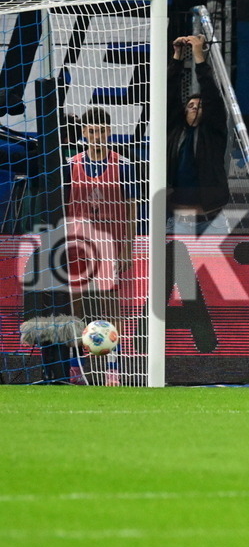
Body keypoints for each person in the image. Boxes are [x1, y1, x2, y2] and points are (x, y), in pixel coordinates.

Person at [64, 106, 137, 386]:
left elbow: (131, 210)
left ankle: (113, 369)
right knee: (77, 308)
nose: (96, 136)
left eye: (101, 131)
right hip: (77, 248)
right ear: (84, 132)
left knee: (109, 309)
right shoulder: (70, 165)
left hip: (109, 248)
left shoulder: (124, 166)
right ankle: (74, 367)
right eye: (91, 131)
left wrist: (127, 248)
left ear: (109, 132)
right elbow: (62, 207)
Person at [167, 35, 230, 235]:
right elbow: (169, 93)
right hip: (179, 220)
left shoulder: (213, 133)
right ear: (184, 110)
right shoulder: (175, 131)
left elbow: (212, 96)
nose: (195, 107)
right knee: (175, 267)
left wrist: (198, 56)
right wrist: (177, 57)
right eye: (191, 105)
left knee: (220, 267)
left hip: (211, 221)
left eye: (200, 106)